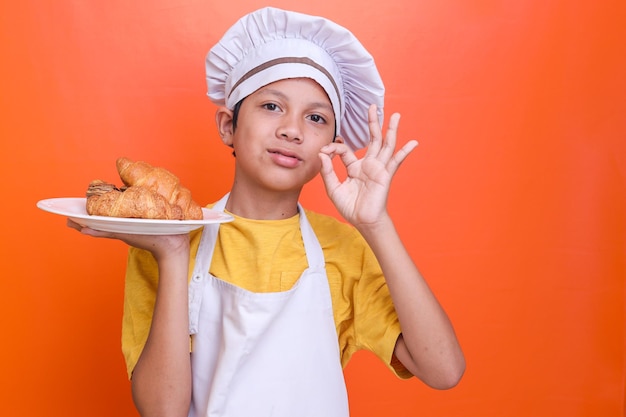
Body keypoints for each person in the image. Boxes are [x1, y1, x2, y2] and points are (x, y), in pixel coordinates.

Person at [69, 6, 465, 417]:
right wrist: (171, 254)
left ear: (331, 144)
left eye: (315, 117)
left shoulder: (346, 250)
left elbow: (444, 370)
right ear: (228, 126)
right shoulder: (168, 236)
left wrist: (375, 224)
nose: (292, 129)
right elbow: (163, 411)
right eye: (272, 106)